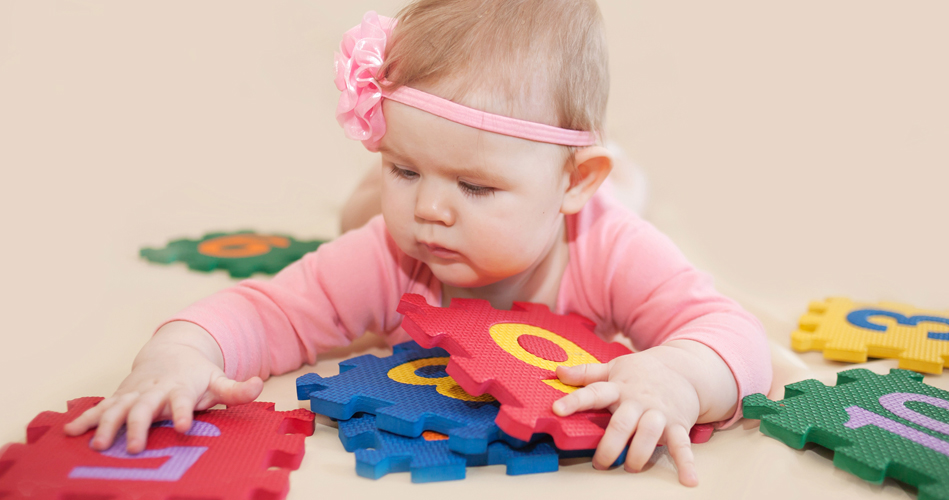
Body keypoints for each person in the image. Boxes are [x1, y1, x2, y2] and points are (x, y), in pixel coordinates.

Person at [65, 0, 771, 487]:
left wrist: (679, 377)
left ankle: (618, 166)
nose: (431, 210)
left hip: (599, 204)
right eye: (403, 167)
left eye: (476, 185)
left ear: (572, 184)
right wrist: (178, 356)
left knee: (629, 195)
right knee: (358, 216)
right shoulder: (389, 251)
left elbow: (731, 335)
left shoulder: (608, 248)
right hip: (424, 219)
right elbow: (266, 312)